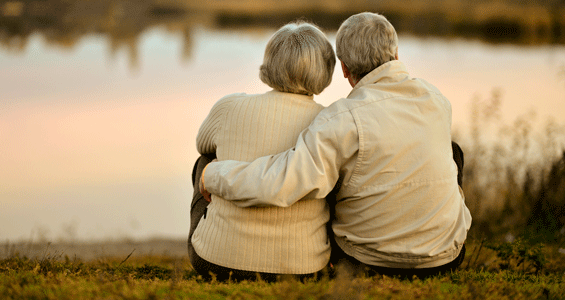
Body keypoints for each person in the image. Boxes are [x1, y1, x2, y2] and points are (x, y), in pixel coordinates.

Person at [201, 12, 472, 279]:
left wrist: (212, 174)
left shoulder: (342, 118)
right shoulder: (437, 100)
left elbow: (284, 181)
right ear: (397, 54)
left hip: (367, 260)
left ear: (343, 68)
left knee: (331, 172)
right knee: (452, 151)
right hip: (445, 257)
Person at [189, 21, 337, 281]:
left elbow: (203, 144)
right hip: (304, 268)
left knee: (205, 161)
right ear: (325, 69)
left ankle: (217, 236)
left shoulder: (229, 106)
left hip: (217, 262)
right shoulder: (330, 122)